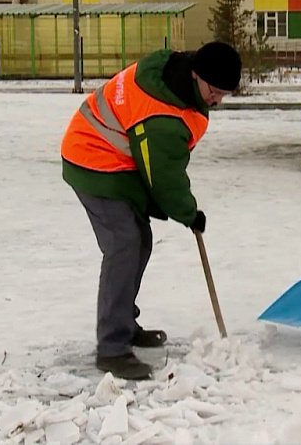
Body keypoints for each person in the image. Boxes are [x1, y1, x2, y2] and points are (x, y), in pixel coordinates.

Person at [61, 42, 242, 379]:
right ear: (196, 74)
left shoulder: (175, 82)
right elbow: (163, 175)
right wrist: (189, 213)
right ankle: (112, 347)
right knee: (124, 243)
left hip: (115, 159)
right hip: (92, 158)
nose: (217, 100)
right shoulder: (162, 114)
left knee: (139, 239)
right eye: (214, 91)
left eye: (224, 94)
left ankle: (124, 322)